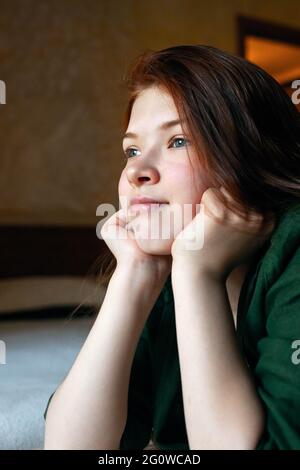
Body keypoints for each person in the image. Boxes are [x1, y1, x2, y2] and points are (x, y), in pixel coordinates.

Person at [44, 44, 300, 450]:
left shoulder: (293, 249)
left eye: (178, 141)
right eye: (131, 149)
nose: (135, 171)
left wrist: (198, 274)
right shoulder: (165, 266)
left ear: (251, 152)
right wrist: (133, 277)